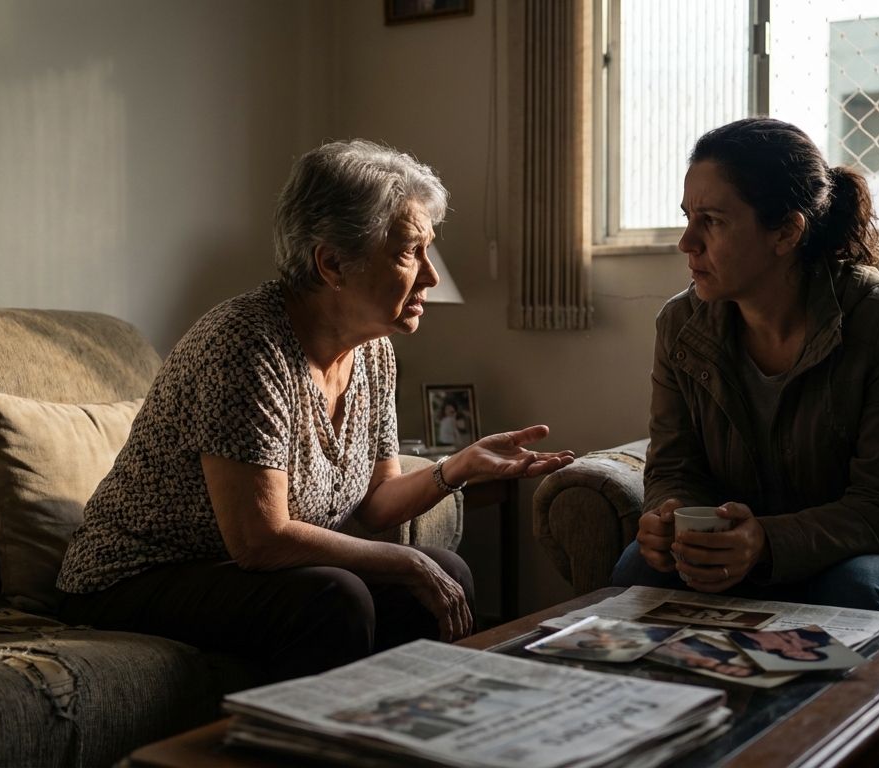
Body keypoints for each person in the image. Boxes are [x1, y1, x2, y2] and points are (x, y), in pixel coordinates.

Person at [56, 139, 574, 681]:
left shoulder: (374, 353)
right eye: (409, 252)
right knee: (336, 597)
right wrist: (405, 559)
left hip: (233, 571)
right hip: (134, 576)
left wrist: (459, 466)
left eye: (429, 250)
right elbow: (260, 539)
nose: (431, 275)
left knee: (448, 574)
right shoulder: (245, 345)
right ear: (331, 263)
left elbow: (375, 503)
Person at [610, 118, 879, 617]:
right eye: (688, 217)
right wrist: (671, 514)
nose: (687, 242)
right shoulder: (681, 324)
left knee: (855, 588)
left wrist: (766, 542)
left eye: (713, 221)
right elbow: (675, 464)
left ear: (786, 231)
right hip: (741, 544)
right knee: (638, 568)